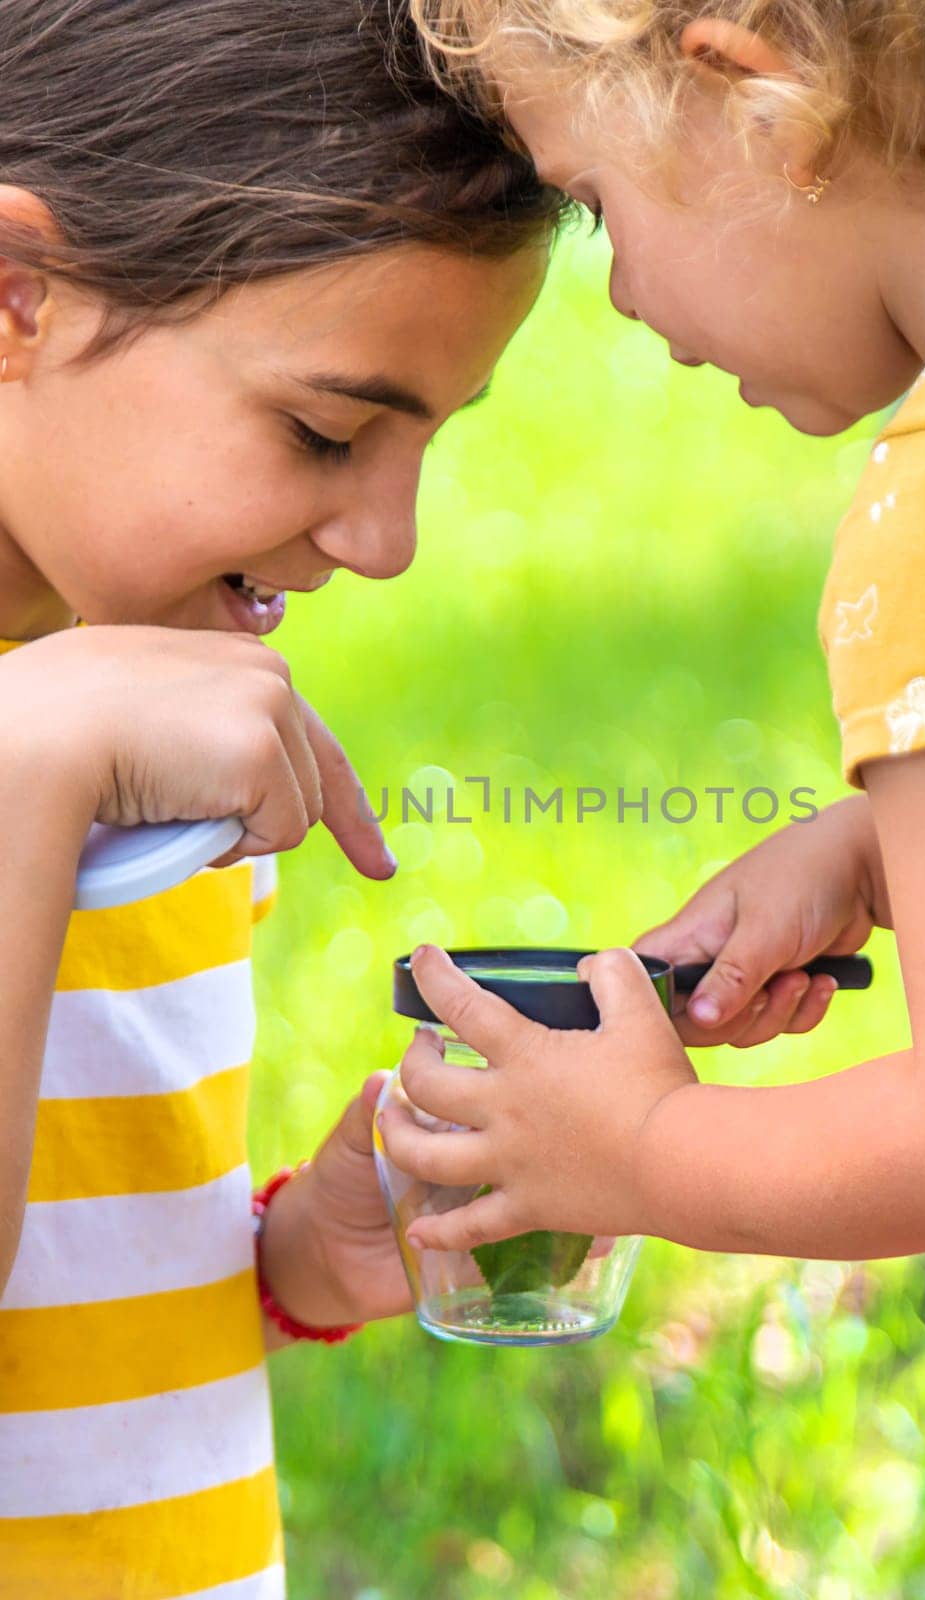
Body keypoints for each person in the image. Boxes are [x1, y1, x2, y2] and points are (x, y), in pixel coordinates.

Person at [379, 0, 925, 1587]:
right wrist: (895, 845)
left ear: (755, 100)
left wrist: (641, 1153)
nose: (621, 298)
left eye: (595, 203)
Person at [0, 1, 556, 1592]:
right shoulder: (71, 731)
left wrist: (294, 1253)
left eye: (422, 447)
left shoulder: (150, 712)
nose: (386, 541)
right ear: (14, 295)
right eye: (326, 430)